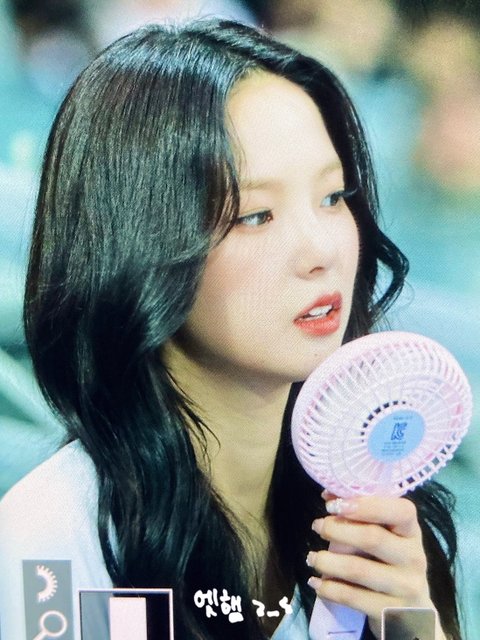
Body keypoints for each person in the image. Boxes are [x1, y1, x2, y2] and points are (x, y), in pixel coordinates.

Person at [0, 19, 461, 640]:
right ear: (141, 245)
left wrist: (412, 626)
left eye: (333, 197)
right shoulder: (56, 544)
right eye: (256, 215)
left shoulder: (371, 521)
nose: (321, 251)